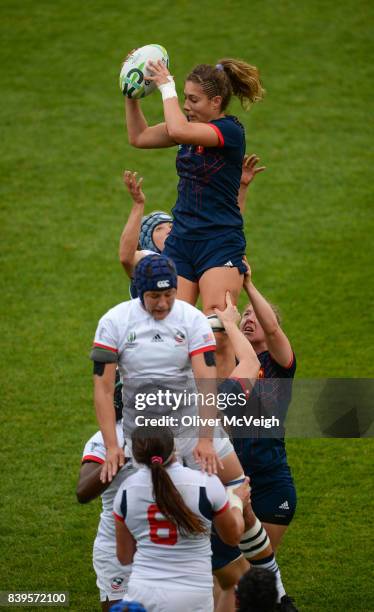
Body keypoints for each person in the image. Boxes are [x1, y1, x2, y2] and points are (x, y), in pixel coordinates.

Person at [124, 57, 265, 377]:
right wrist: (131, 93)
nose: (186, 105)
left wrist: (165, 86)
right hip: (182, 241)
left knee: (218, 331)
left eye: (193, 100)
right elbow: (139, 137)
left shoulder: (229, 131)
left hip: (219, 244)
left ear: (216, 102)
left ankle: (223, 423)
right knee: (174, 332)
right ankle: (180, 412)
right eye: (184, 98)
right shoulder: (187, 130)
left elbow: (177, 128)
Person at [91, 253, 245, 487]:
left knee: (238, 487)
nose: (162, 303)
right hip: (145, 438)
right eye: (154, 296)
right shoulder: (114, 322)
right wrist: (112, 446)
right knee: (158, 508)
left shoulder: (192, 319)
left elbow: (206, 380)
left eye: (168, 295)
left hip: (191, 427)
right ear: (140, 292)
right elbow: (103, 389)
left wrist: (205, 440)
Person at [113, 425, 251, 612]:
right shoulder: (206, 484)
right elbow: (233, 537)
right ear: (175, 448)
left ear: (137, 457)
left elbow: (124, 557)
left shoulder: (125, 492)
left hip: (142, 593)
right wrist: (236, 501)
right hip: (192, 596)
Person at [119, 155, 265, 296]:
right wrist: (138, 204)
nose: (169, 229)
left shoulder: (185, 256)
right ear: (147, 243)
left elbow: (227, 228)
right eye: (158, 228)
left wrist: (241, 187)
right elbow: (127, 257)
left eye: (170, 225)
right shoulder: (149, 261)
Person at [76, 372, 134, 611]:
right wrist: (116, 458)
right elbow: (83, 492)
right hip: (115, 548)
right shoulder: (104, 440)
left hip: (160, 544)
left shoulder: (170, 431)